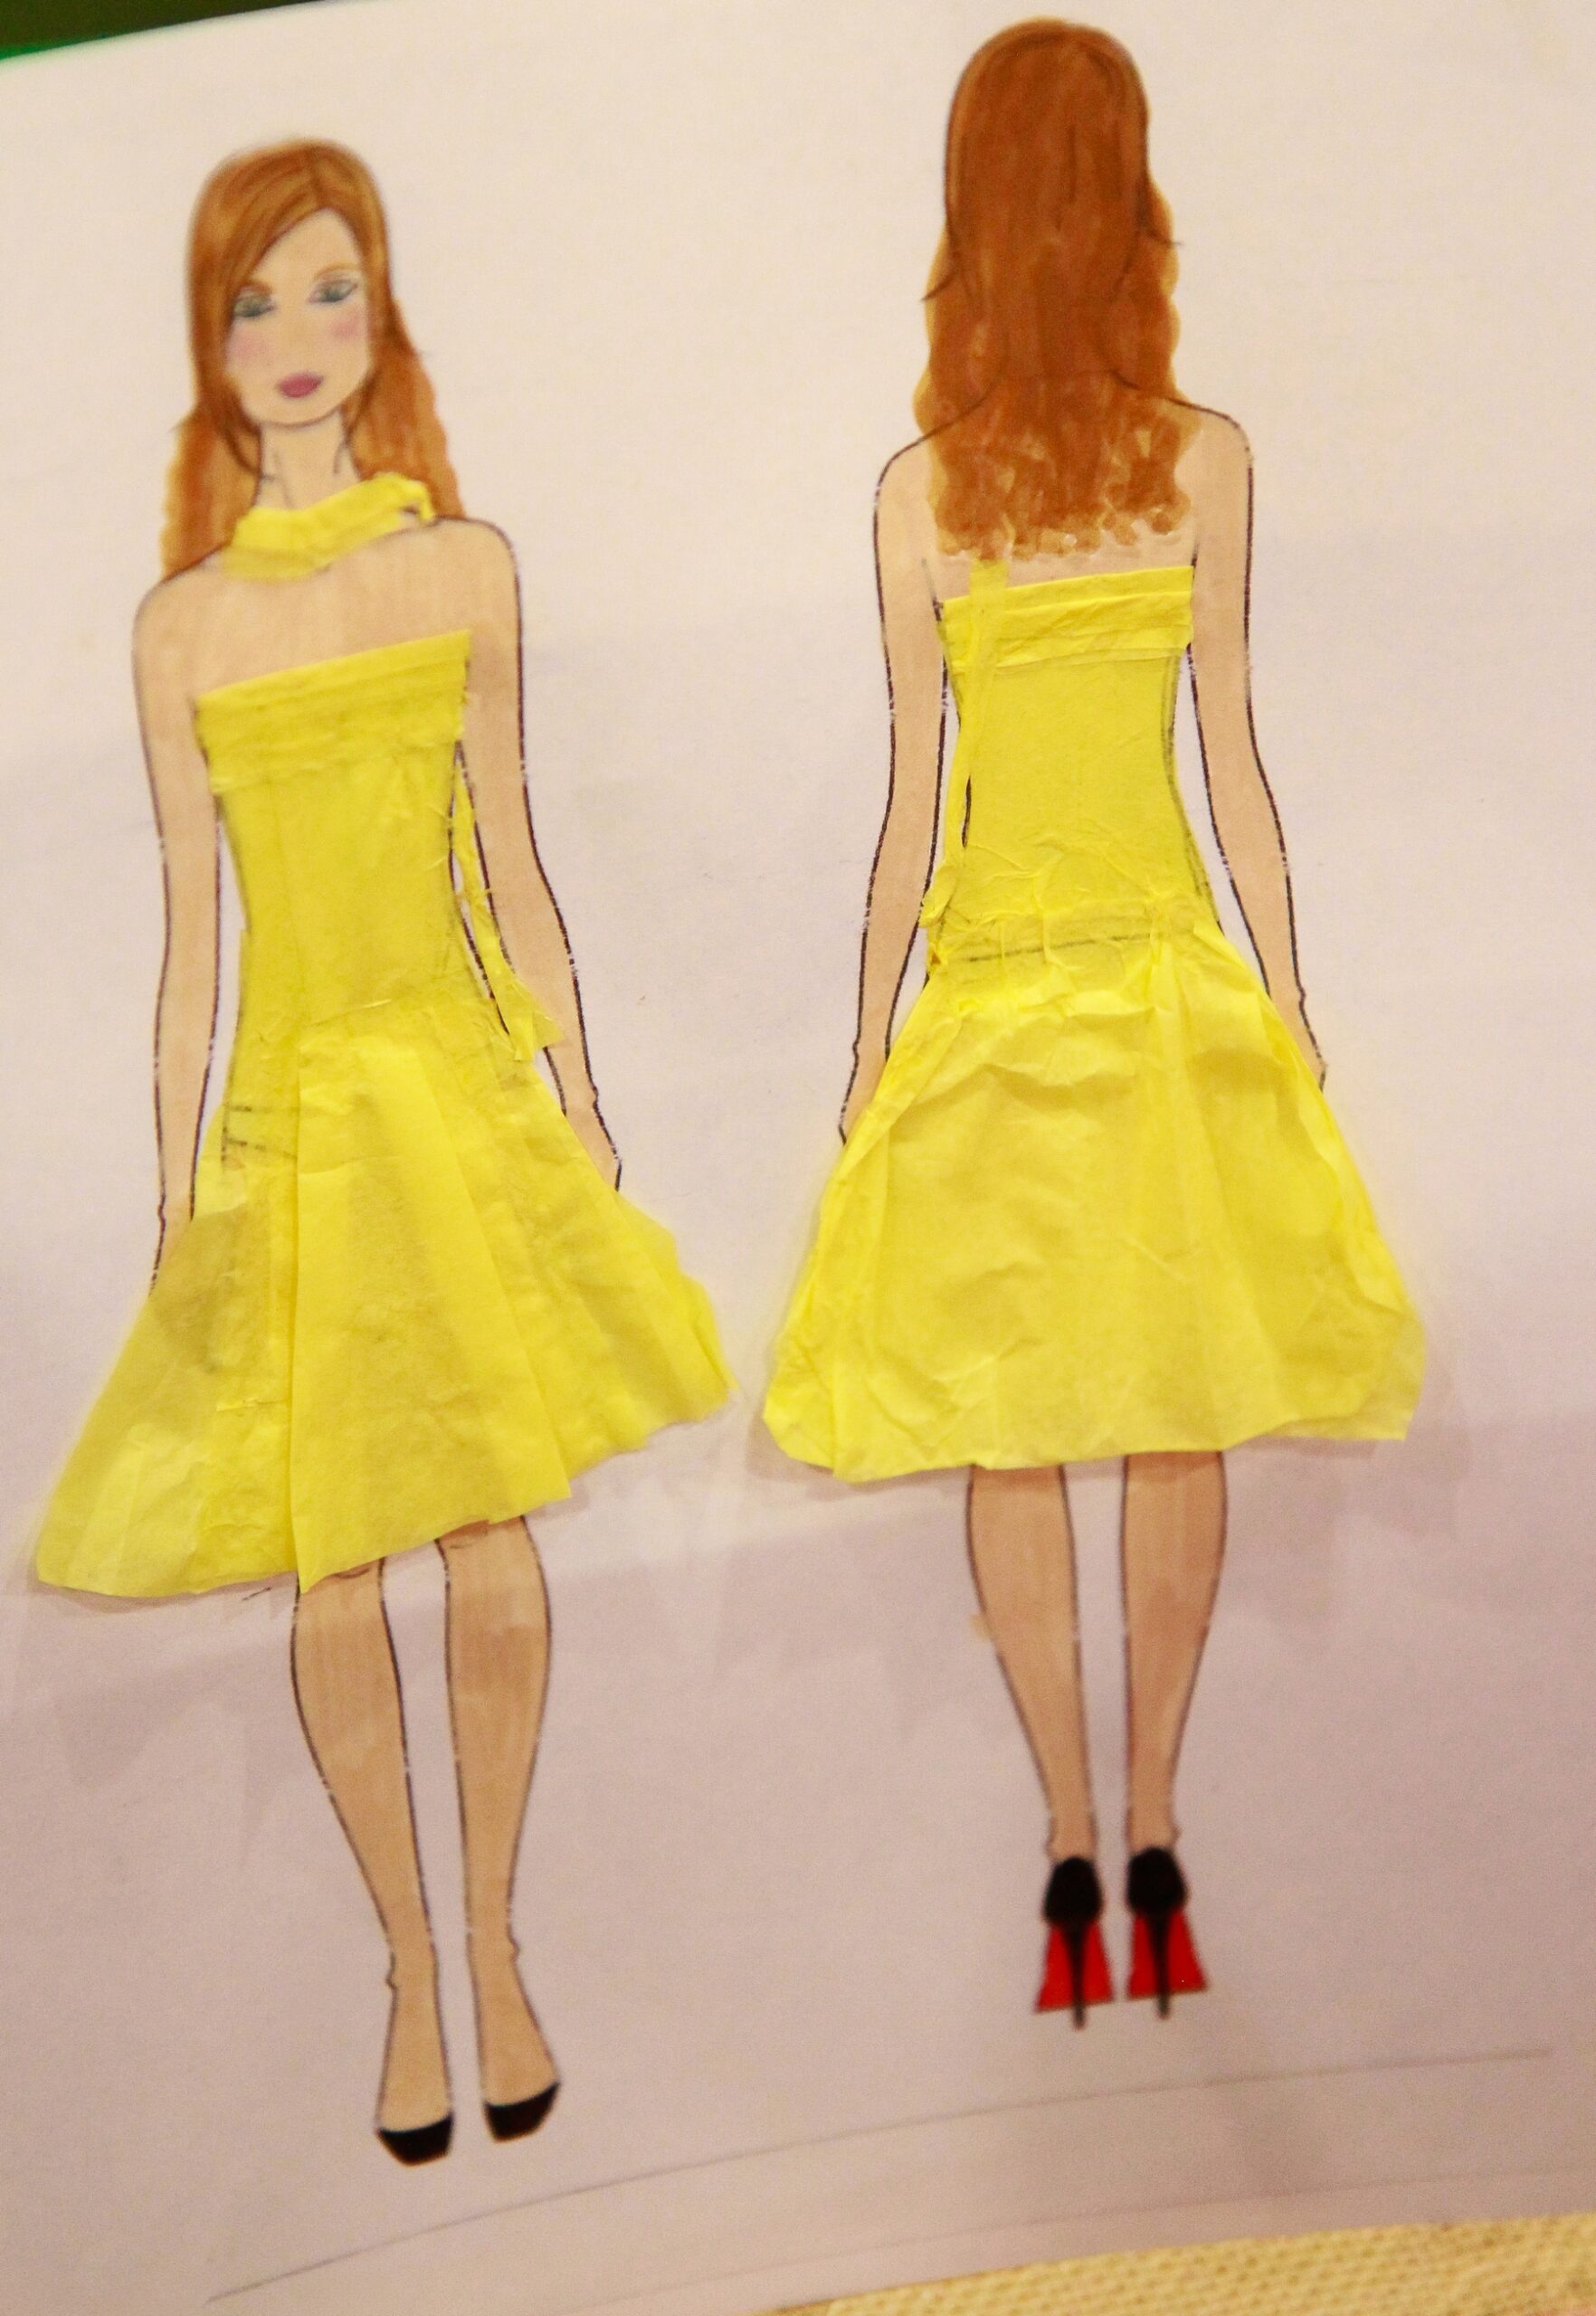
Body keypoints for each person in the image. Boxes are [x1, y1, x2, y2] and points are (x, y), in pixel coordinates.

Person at [33, 140, 728, 2159]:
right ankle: (414, 1971)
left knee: (487, 1524)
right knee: (338, 1556)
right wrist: (176, 1183)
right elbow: (191, 938)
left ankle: (495, 1946)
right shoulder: (179, 629)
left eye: (330, 290)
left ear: (384, 312)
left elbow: (514, 854)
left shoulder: (463, 566)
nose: (295, 338)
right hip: (296, 1117)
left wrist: (580, 1096)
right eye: (254, 302)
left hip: (452, 1089)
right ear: (207, 340)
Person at [765, 19, 1422, 2023]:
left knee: (1026, 1409)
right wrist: (1283, 1004)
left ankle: (1081, 1831)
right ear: (1129, 206)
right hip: (1125, 979)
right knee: (1142, 1399)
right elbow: (1224, 759)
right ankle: (1136, 1820)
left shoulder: (943, 486)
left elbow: (927, 801)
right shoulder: (1181, 459)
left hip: (1014, 984)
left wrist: (870, 1045)